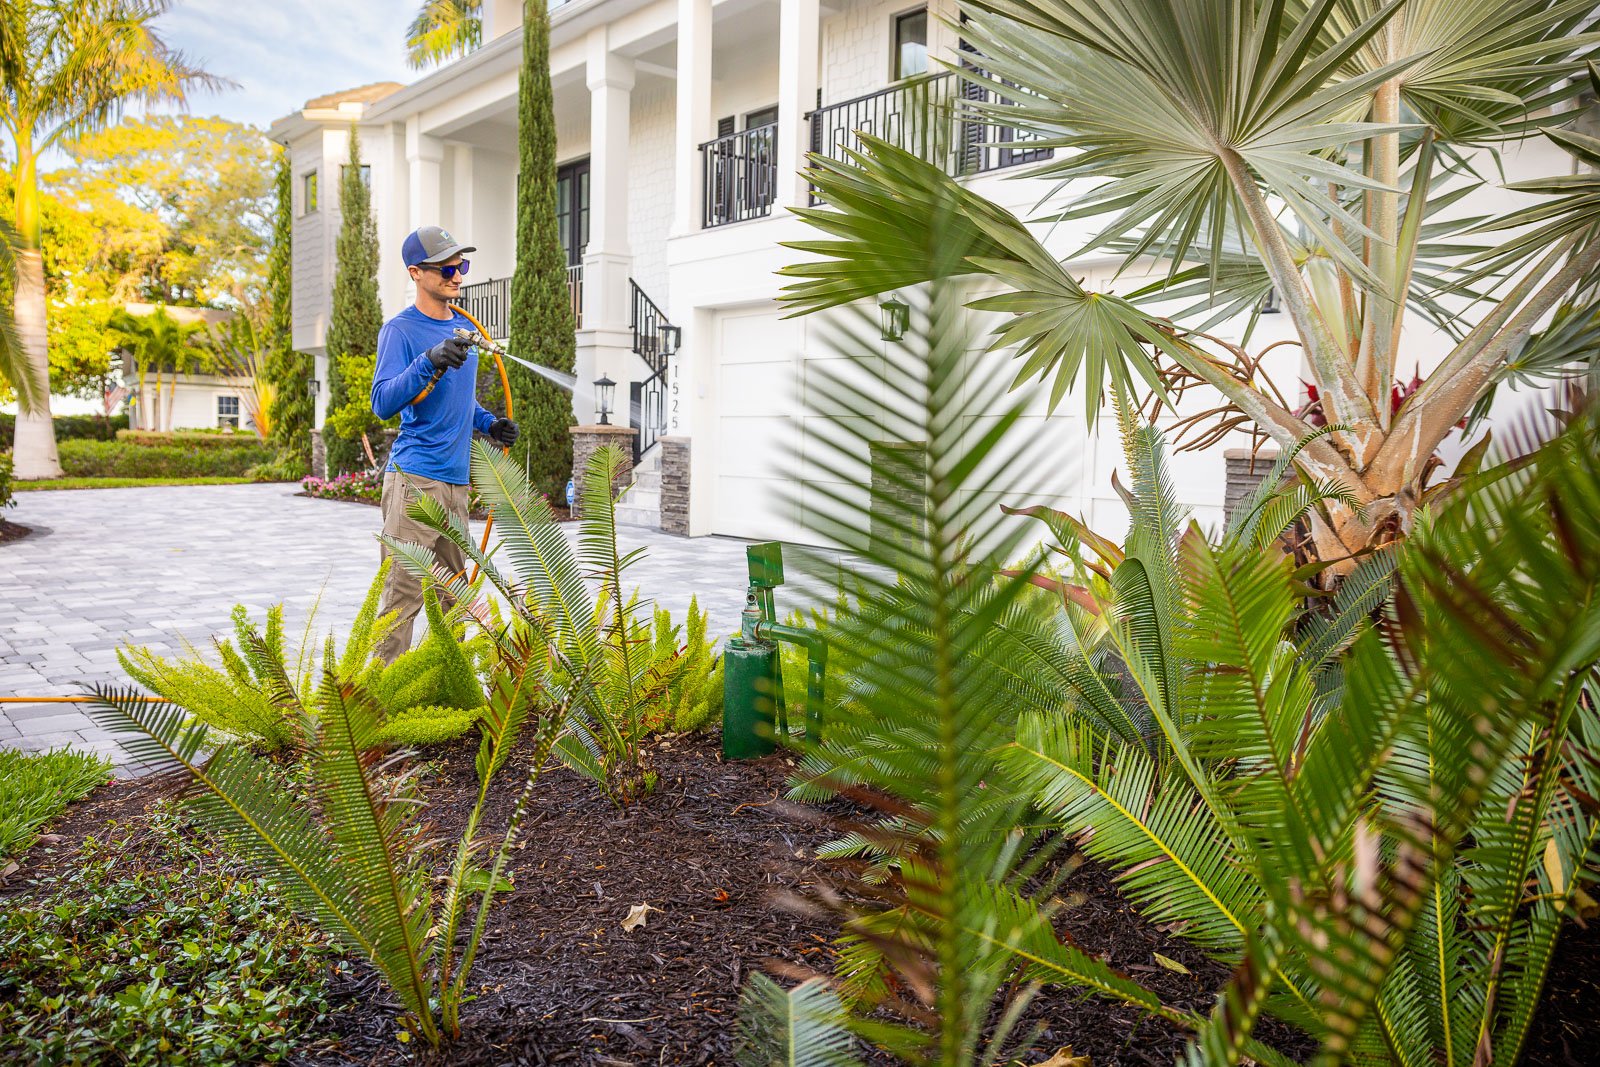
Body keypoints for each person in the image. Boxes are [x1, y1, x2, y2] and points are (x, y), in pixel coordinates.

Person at [369, 225, 518, 663]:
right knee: (401, 601)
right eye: (447, 268)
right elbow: (382, 401)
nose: (457, 275)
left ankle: (445, 697)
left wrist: (489, 424)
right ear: (416, 273)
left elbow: (459, 398)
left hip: (455, 485)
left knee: (453, 603)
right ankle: (380, 709)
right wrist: (426, 360)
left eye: (461, 265)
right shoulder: (400, 330)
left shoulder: (462, 327)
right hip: (415, 481)